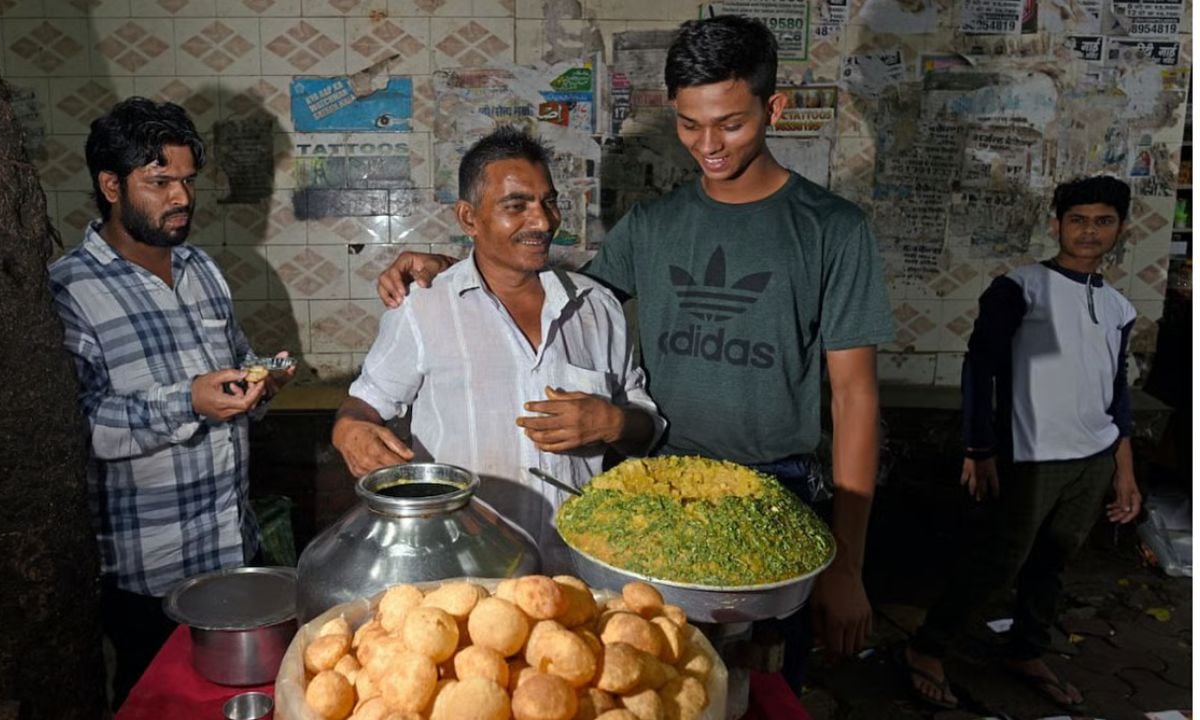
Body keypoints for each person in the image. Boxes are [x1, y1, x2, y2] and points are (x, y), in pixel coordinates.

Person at [374, 15, 894, 692]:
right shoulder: (652, 226)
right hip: (653, 498)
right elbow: (556, 294)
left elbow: (856, 399)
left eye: (730, 124)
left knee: (757, 689)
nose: (707, 145)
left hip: (777, 495)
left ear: (774, 108)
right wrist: (458, 263)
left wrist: (847, 564)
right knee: (647, 682)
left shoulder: (832, 230)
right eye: (689, 124)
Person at [48, 97, 295, 709]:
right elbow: (76, 428)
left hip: (233, 551)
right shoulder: (68, 289)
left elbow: (232, 372)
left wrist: (258, 387)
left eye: (186, 180)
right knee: (158, 704)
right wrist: (188, 402)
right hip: (148, 575)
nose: (181, 198)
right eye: (159, 182)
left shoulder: (201, 269)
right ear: (111, 185)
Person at [331, 127, 662, 568]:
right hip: (464, 570)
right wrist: (347, 431)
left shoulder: (596, 306)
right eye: (516, 205)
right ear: (469, 218)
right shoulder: (424, 307)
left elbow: (647, 428)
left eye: (548, 201)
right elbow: (364, 407)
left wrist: (613, 422)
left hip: (581, 568)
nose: (543, 222)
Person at [901, 176, 1143, 711]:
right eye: (1078, 219)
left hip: (1093, 458)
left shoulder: (1120, 307)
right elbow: (979, 367)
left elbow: (1116, 393)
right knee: (998, 561)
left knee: (1053, 561)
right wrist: (978, 449)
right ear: (1057, 225)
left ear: (1120, 229)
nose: (1089, 231)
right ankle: (927, 646)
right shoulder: (1021, 288)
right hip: (1030, 456)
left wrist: (1124, 471)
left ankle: (1026, 650)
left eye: (1103, 221)